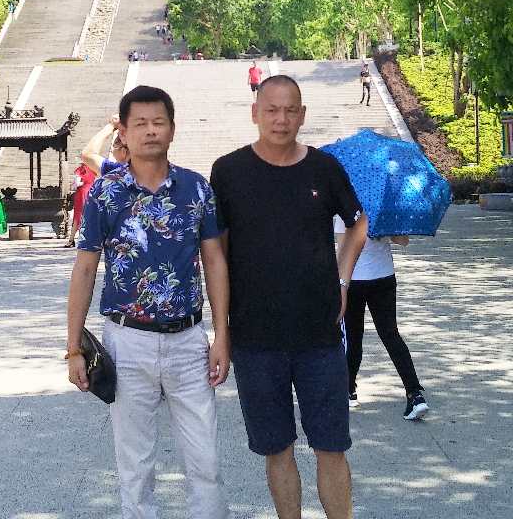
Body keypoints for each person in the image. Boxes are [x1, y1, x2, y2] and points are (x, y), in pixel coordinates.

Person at [68, 86, 230, 519]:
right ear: (123, 131)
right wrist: (73, 348)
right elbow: (84, 270)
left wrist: (221, 336)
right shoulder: (106, 192)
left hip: (189, 341)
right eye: (140, 123)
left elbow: (214, 261)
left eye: (159, 122)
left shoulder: (196, 188)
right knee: (135, 467)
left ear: (172, 129)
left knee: (206, 460)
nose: (150, 130)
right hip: (127, 343)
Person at [210, 75, 368, 519]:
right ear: (255, 113)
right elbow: (216, 254)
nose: (281, 119)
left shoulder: (325, 168)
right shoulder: (228, 172)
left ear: (302, 115)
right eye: (272, 110)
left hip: (319, 335)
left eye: (290, 110)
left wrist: (342, 280)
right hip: (255, 337)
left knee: (331, 446)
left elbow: (358, 222)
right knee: (276, 448)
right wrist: (221, 332)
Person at [334, 217, 429, 421]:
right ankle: (415, 394)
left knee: (353, 337)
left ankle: (348, 390)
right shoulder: (386, 209)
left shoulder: (347, 210)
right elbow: (403, 241)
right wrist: (386, 228)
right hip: (384, 277)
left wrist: (338, 284)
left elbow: (342, 250)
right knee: (390, 335)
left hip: (354, 280)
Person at [65, 163, 96, 247]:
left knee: (78, 217)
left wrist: (72, 186)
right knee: (88, 216)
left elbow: (76, 184)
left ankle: (72, 240)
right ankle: (86, 239)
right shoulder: (93, 169)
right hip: (90, 193)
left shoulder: (80, 170)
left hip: (81, 194)